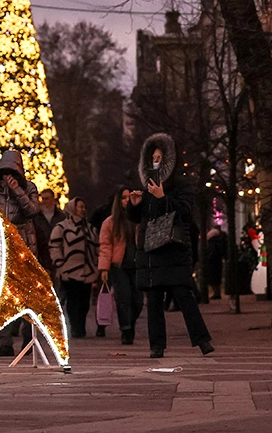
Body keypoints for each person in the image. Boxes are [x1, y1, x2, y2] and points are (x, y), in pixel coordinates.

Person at [128, 133, 213, 359]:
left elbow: (184, 211)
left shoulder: (181, 185)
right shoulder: (147, 186)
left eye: (160, 157)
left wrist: (163, 197)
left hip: (174, 249)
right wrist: (135, 205)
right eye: (153, 157)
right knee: (154, 302)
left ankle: (202, 340)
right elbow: (141, 219)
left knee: (184, 296)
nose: (156, 161)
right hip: (152, 252)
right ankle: (157, 346)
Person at [0, 150, 42, 356]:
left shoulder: (29, 188)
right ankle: (5, 343)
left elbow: (31, 211)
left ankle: (29, 338)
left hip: (23, 246)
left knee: (25, 295)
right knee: (0, 297)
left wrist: (18, 191)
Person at [49, 198, 99, 338]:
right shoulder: (61, 228)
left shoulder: (90, 229)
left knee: (84, 302)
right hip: (69, 271)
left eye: (84, 207)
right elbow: (54, 246)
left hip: (88, 272)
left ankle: (81, 325)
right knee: (73, 301)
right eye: (80, 207)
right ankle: (76, 327)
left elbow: (97, 247)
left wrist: (97, 265)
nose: (83, 210)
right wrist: (59, 263)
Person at [99, 187, 142, 344]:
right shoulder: (110, 222)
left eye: (129, 197)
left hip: (137, 265)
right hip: (119, 266)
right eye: (123, 198)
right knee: (123, 298)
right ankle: (126, 329)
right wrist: (104, 267)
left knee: (137, 301)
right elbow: (105, 245)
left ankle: (130, 323)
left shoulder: (138, 219)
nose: (127, 200)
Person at [33, 189, 65, 275]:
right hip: (42, 258)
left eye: (46, 198)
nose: (44, 202)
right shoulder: (36, 218)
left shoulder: (62, 217)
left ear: (53, 199)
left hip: (58, 258)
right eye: (42, 199)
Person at [204, 224, 226, 300]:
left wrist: (208, 258)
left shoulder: (213, 243)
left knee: (213, 278)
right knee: (216, 279)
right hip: (217, 262)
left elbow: (212, 252)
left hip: (213, 263)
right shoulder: (219, 241)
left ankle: (216, 293)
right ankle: (217, 293)